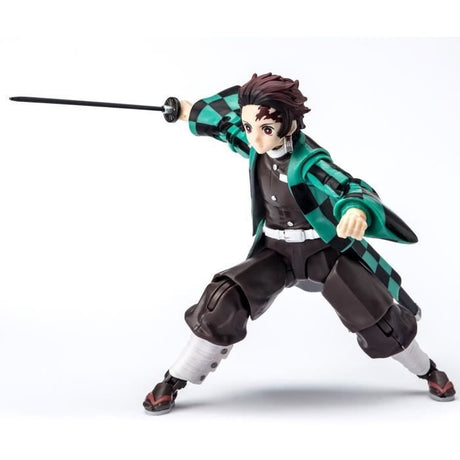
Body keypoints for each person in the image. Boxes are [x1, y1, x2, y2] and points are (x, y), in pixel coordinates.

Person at [143, 73, 455, 415]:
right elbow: (224, 127)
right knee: (221, 300)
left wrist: (355, 209)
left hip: (323, 253)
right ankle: (176, 378)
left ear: (289, 125)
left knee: (378, 318)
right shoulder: (257, 147)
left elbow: (349, 187)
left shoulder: (309, 164)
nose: (255, 138)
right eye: (249, 127)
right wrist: (187, 111)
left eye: (265, 129)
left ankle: (427, 370)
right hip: (275, 252)